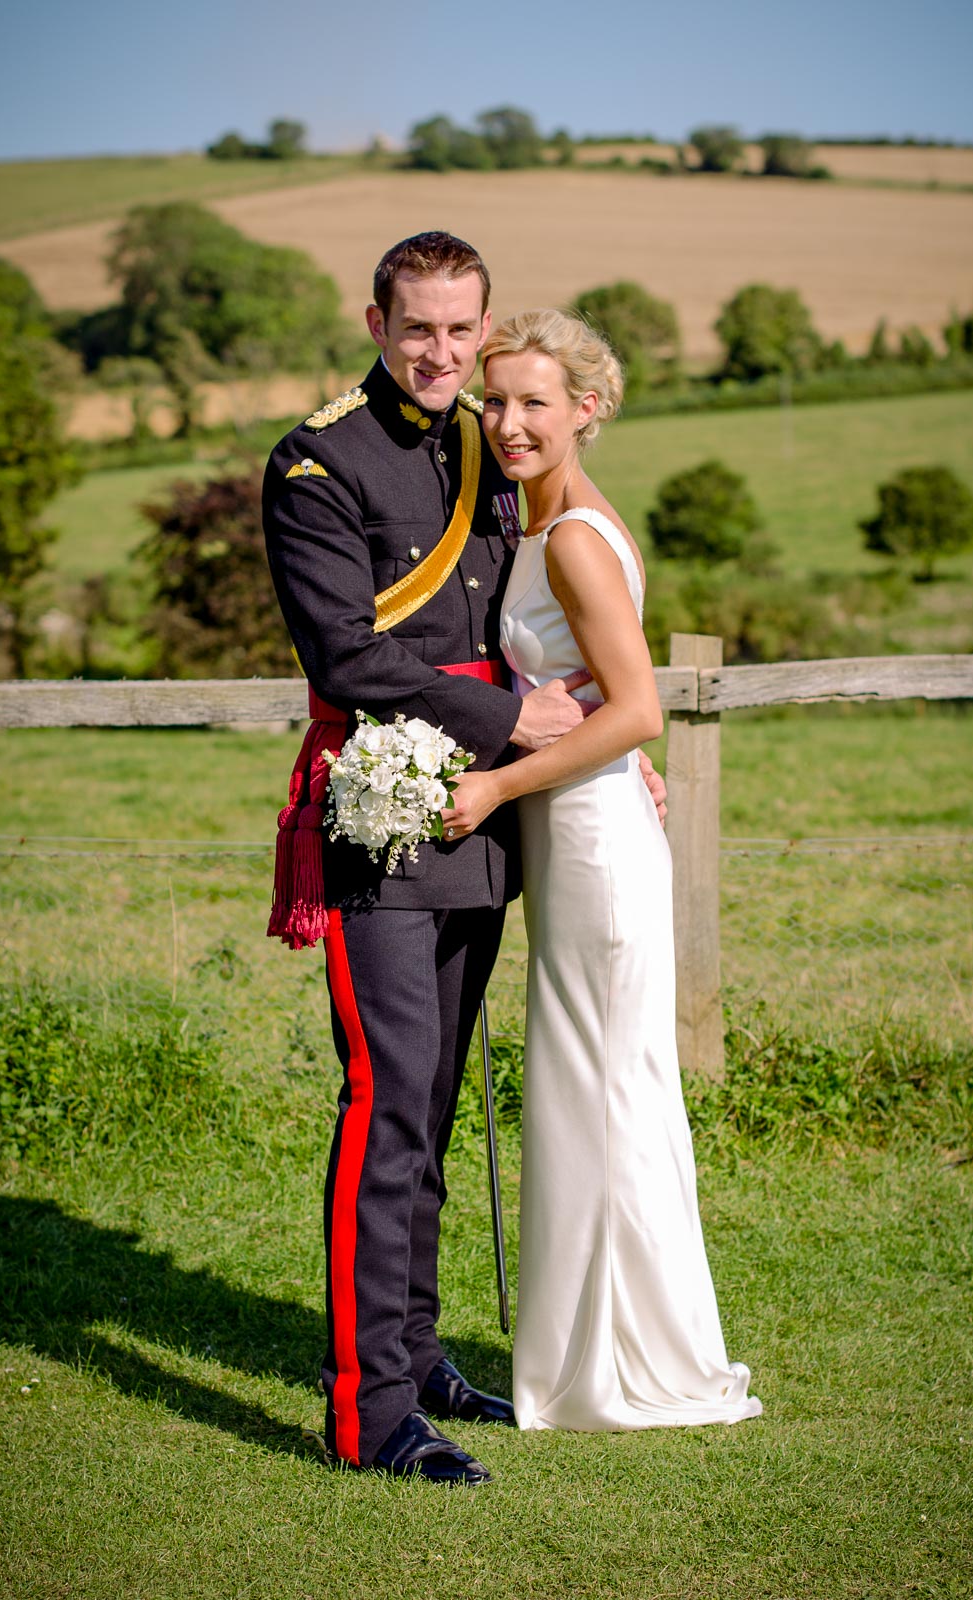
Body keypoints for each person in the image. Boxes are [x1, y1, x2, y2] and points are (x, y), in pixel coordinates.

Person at [262, 235, 605, 1485]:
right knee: (387, 1107)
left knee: (438, 1104)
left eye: (463, 331)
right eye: (419, 330)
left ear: (484, 321)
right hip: (379, 819)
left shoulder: (492, 438)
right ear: (376, 317)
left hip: (484, 816)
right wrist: (512, 723)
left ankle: (415, 1353)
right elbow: (346, 657)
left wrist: (601, 743)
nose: (443, 355)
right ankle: (371, 1410)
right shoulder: (315, 458)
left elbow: (534, 623)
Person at [441, 309, 763, 1432]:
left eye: (536, 401)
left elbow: (634, 707)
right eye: (498, 400)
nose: (511, 422)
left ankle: (628, 1366)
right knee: (597, 1089)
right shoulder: (548, 523)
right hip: (585, 828)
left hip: (589, 844)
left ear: (588, 408)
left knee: (607, 1093)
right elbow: (598, 697)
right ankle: (601, 1352)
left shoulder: (570, 535)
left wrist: (490, 788)